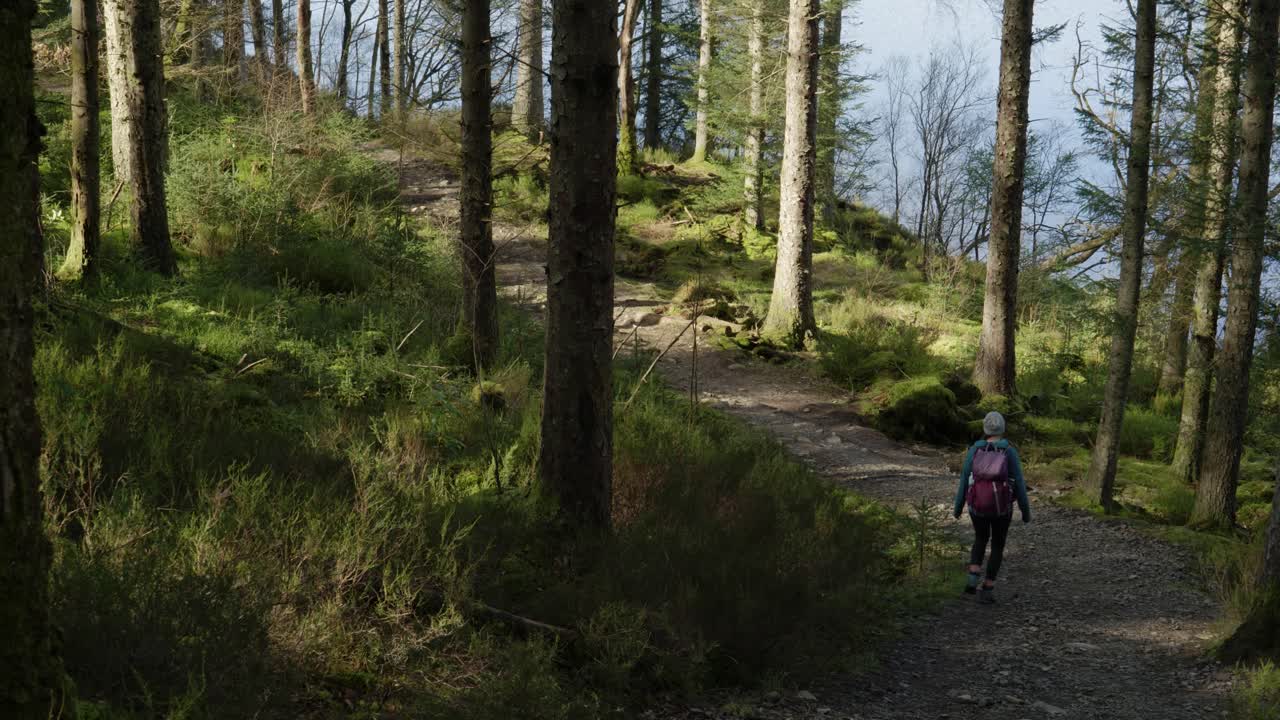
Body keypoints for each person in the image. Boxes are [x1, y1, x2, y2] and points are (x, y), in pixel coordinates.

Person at [953, 411, 1030, 604]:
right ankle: (987, 589)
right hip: (1002, 508)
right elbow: (1019, 482)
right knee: (997, 545)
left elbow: (964, 479)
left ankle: (971, 584)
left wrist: (958, 506)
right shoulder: (1009, 451)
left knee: (980, 539)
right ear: (1002, 429)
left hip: (977, 506)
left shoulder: (975, 449)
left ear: (985, 429)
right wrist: (1025, 511)